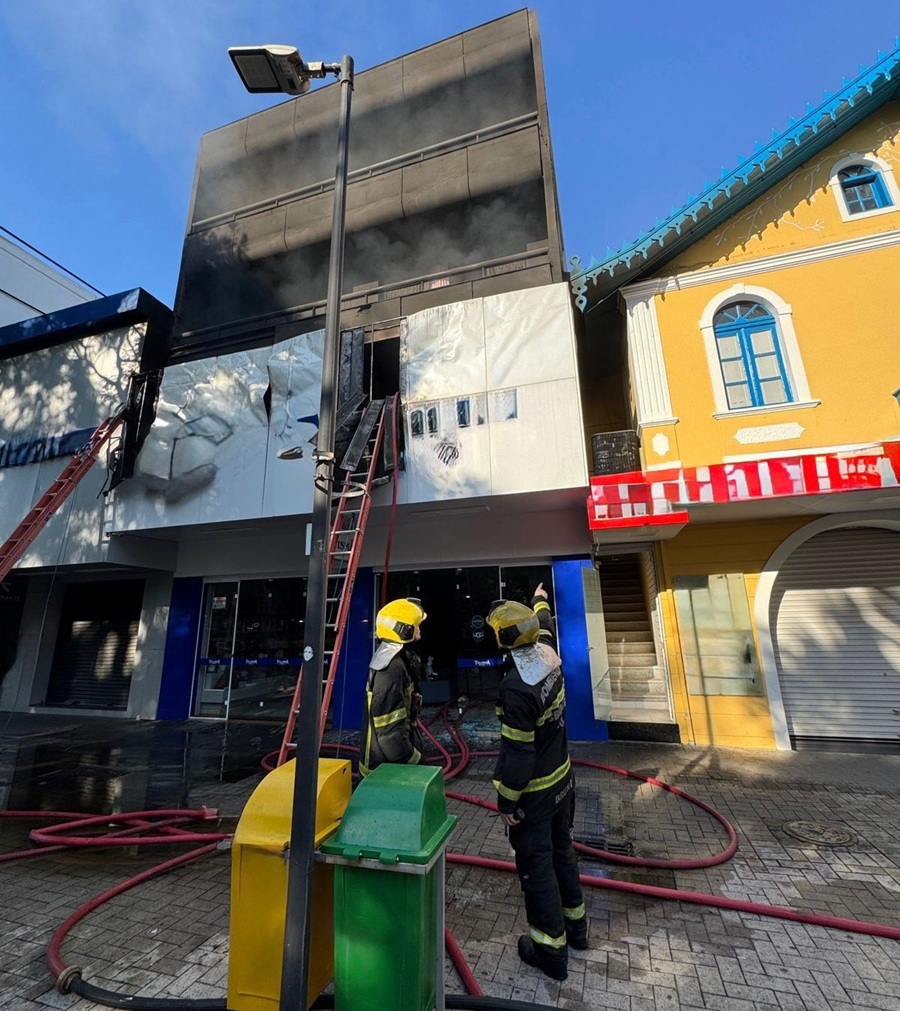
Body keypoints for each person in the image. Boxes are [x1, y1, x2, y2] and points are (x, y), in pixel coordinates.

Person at [488, 583, 587, 981]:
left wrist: (507, 803)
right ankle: (577, 930)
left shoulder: (516, 688)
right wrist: (540, 598)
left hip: (536, 795)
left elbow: (519, 756)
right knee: (564, 852)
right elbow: (543, 624)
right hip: (564, 783)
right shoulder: (548, 654)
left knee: (537, 868)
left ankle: (550, 951)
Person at [359, 597, 427, 777]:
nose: (419, 628)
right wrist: (415, 761)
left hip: (388, 765)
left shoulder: (397, 660)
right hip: (384, 771)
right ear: (403, 630)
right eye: (416, 625)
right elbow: (388, 734)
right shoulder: (392, 668)